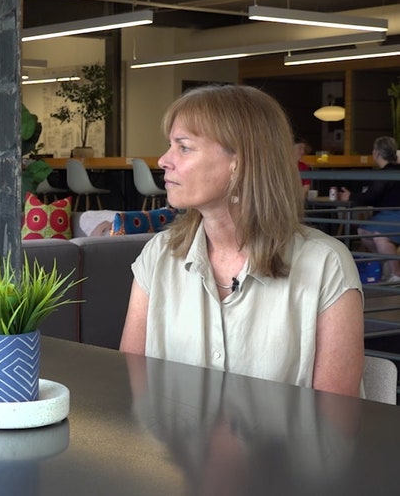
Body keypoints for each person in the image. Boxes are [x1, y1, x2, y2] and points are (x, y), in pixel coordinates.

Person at [119, 84, 364, 397]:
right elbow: (131, 388)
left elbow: (336, 425)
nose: (164, 160)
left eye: (184, 147)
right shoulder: (158, 255)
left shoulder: (326, 266)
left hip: (286, 448)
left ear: (240, 162)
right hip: (168, 446)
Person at [337, 136, 400, 282]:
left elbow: (371, 196)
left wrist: (351, 196)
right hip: (389, 216)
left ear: (377, 153)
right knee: (363, 230)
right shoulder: (392, 171)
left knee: (379, 235)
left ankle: (396, 272)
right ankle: (387, 265)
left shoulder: (385, 173)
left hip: (393, 216)